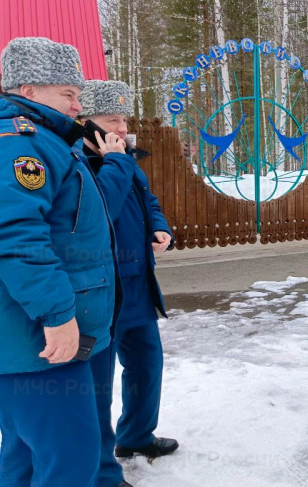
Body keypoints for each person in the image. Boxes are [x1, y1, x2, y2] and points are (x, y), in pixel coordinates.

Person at [0, 37, 120, 486]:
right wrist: (57, 315)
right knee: (69, 461)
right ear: (29, 90)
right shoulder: (20, 144)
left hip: (34, 340)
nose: (77, 104)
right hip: (39, 340)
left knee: (26, 456)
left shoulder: (48, 140)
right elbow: (16, 237)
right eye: (68, 93)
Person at [78, 80, 179, 464]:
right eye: (110, 119)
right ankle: (101, 464)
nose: (121, 128)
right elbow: (101, 208)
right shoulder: (79, 164)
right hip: (100, 290)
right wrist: (116, 161)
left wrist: (160, 225)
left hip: (137, 285)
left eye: (123, 118)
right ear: (86, 122)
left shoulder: (126, 159)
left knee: (147, 365)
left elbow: (147, 199)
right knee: (97, 384)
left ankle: (136, 435)